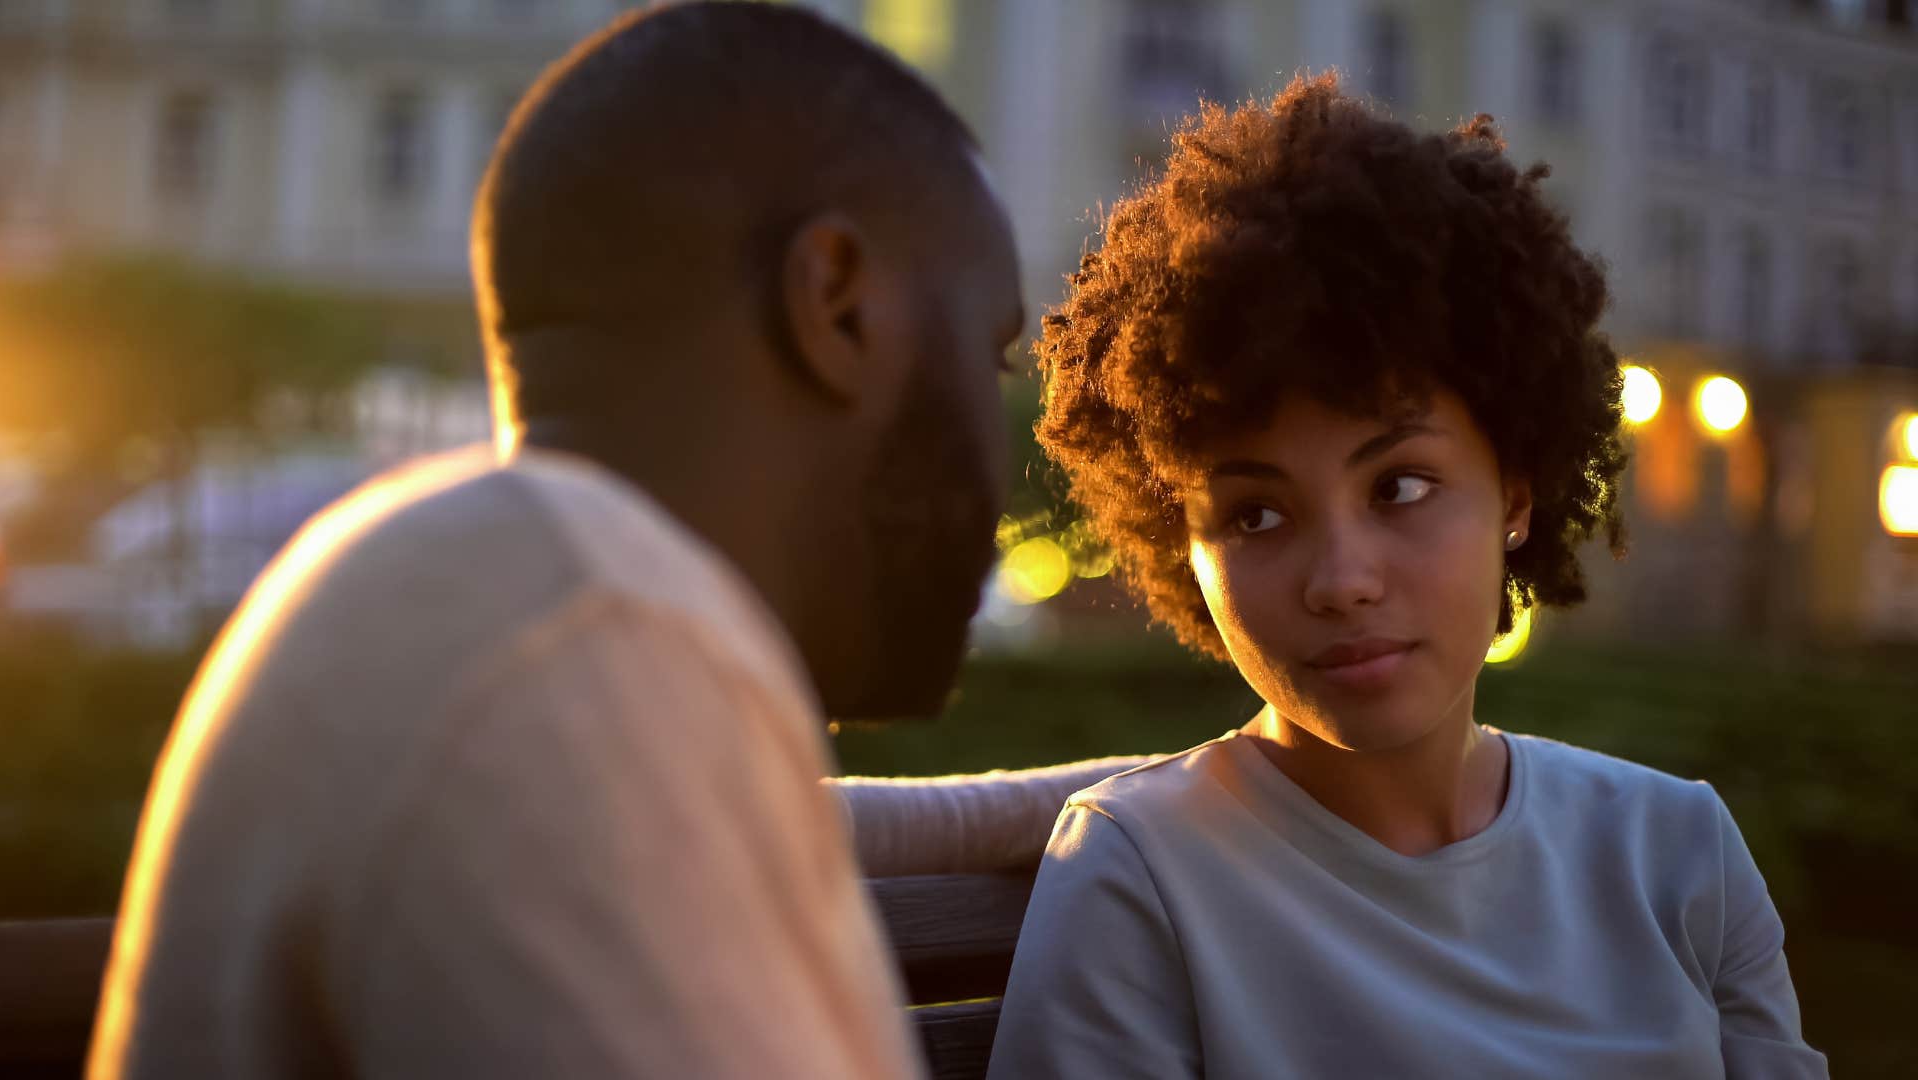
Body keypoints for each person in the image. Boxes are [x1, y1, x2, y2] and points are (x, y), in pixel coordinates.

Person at [89, 5, 1029, 1077]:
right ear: (840, 306)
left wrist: (1203, 784)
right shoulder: (588, 636)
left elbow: (843, 824)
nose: (1006, 462)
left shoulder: (489, 591)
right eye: (992, 353)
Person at [986, 75, 1829, 1079]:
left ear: (1514, 492)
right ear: (1183, 549)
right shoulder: (1143, 876)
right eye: (1255, 514)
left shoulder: (1677, 851)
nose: (1341, 580)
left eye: (1402, 487)